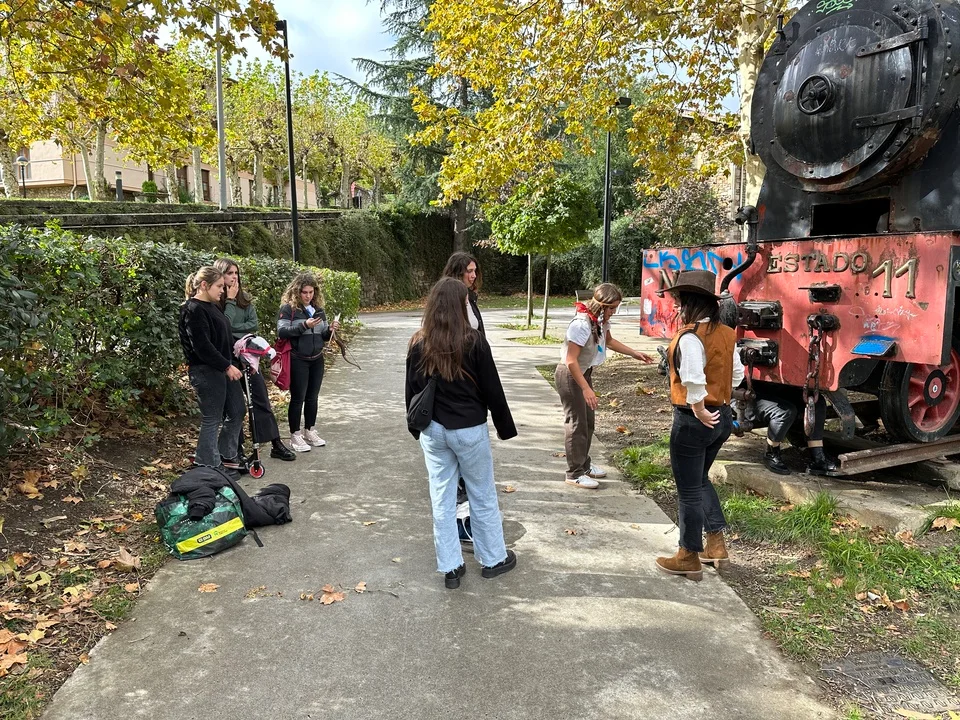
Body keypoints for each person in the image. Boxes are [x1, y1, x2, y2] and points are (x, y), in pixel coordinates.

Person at [405, 277, 518, 589]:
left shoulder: (418, 342)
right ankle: (493, 559)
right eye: (467, 302)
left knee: (441, 498)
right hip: (468, 429)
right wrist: (505, 428)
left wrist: (416, 429)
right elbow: (493, 389)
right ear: (459, 306)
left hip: (433, 430)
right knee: (482, 493)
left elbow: (412, 391)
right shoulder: (474, 341)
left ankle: (451, 568)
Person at [658, 269, 745, 580]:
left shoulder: (690, 336)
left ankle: (688, 556)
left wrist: (698, 408)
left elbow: (693, 379)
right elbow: (737, 375)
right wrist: (720, 403)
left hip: (694, 419)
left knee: (688, 491)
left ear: (690, 303)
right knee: (699, 481)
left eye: (680, 301)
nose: (677, 307)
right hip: (720, 417)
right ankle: (716, 545)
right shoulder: (727, 334)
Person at [556, 283, 655, 489]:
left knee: (588, 422)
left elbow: (609, 341)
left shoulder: (599, 321)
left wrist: (634, 353)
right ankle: (574, 473)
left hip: (584, 372)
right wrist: (586, 388)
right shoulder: (581, 324)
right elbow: (571, 360)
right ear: (601, 305)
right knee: (576, 424)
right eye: (611, 308)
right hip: (571, 375)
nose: (613, 312)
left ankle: (584, 465)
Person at [213, 258, 296, 463]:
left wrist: (234, 326)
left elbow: (253, 325)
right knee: (234, 406)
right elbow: (224, 327)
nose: (234, 277)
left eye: (236, 273)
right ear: (220, 275)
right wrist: (230, 301)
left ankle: (275, 443)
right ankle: (236, 449)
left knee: (260, 397)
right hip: (227, 357)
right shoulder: (215, 301)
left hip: (248, 354)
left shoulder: (245, 299)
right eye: (229, 273)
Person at [177, 266, 246, 476]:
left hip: (224, 367)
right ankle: (207, 464)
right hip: (206, 371)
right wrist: (226, 365)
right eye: (219, 286)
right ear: (204, 285)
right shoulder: (193, 309)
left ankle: (226, 455)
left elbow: (223, 338)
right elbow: (202, 346)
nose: (222, 291)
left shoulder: (212, 307)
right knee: (212, 417)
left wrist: (239, 356)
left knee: (237, 411)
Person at [277, 272, 340, 453]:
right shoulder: (288, 309)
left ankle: (310, 430)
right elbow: (282, 332)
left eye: (311, 292)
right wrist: (305, 325)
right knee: (298, 398)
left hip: (317, 358)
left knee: (313, 397)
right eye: (304, 292)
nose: (308, 296)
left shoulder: (318, 309)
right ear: (297, 291)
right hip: (298, 359)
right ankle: (295, 435)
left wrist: (330, 330)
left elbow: (323, 335)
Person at [735, 382, 839, 476]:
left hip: (774, 387)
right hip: (743, 391)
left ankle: (818, 457)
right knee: (785, 412)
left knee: (817, 403)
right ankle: (771, 453)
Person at [442, 251, 484, 335]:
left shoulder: (471, 297)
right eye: (469, 271)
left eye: (475, 271)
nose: (474, 275)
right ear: (458, 273)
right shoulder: (445, 299)